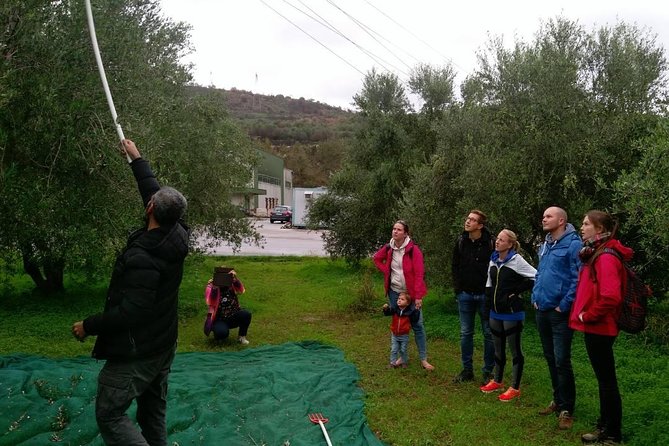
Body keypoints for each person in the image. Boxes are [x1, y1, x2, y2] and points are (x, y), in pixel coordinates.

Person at [72, 139, 189, 446]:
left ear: (151, 209)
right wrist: (137, 159)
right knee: (152, 411)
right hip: (163, 342)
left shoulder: (144, 258)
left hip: (139, 350)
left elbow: (131, 312)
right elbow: (153, 193)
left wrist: (88, 325)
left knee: (109, 413)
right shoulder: (176, 233)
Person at [569, 211, 631, 445]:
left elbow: (610, 297)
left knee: (606, 381)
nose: (582, 227)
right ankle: (604, 425)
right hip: (597, 326)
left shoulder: (605, 256)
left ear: (599, 228)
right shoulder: (596, 252)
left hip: (601, 327)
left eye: (586, 224)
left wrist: (588, 315)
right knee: (604, 380)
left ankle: (612, 433)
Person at [531, 206, 582, 430]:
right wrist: (534, 295)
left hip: (559, 313)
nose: (544, 218)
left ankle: (567, 409)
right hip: (542, 308)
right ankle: (558, 400)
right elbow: (540, 272)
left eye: (549, 216)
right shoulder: (546, 244)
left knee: (562, 360)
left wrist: (564, 304)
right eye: (543, 215)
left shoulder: (573, 244)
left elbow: (577, 277)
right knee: (551, 358)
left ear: (561, 220)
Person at [480, 229, 536, 402]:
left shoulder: (517, 260)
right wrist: (488, 305)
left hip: (512, 313)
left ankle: (515, 387)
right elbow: (489, 284)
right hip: (495, 312)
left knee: (514, 350)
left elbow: (536, 276)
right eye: (497, 239)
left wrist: (516, 291)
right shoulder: (493, 259)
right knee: (498, 349)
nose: (497, 242)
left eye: (502, 240)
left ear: (510, 244)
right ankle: (497, 380)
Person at [373, 220, 434, 370]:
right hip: (395, 292)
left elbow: (420, 274)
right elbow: (376, 259)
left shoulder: (414, 250)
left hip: (411, 293)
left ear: (406, 233)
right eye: (394, 229)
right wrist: (387, 271)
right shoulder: (389, 248)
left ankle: (423, 359)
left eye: (399, 230)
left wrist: (418, 296)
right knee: (399, 325)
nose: (395, 232)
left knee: (417, 325)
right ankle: (402, 356)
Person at [451, 210, 496, 384]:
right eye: (467, 218)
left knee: (488, 334)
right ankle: (467, 370)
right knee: (465, 333)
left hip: (485, 296)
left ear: (480, 225)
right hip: (465, 295)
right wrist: (458, 289)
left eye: (472, 220)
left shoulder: (490, 243)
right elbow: (455, 266)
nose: (468, 222)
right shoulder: (461, 241)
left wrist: (491, 292)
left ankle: (488, 372)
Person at [204, 268, 252, 345]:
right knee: (222, 334)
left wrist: (235, 279)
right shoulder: (211, 286)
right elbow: (210, 302)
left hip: (232, 315)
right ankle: (219, 333)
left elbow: (241, 291)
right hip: (218, 319)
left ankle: (241, 337)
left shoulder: (231, 284)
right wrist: (215, 288)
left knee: (246, 314)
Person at [383, 291, 420, 368]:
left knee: (403, 350)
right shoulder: (395, 310)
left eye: (402, 299)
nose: (399, 300)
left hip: (404, 335)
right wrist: (386, 309)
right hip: (395, 334)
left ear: (407, 303)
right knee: (394, 349)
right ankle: (392, 363)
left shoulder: (409, 312)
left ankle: (404, 362)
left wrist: (417, 310)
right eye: (399, 299)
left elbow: (415, 320)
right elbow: (387, 313)